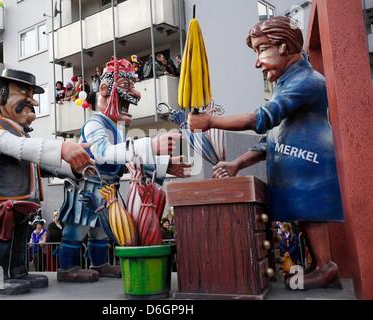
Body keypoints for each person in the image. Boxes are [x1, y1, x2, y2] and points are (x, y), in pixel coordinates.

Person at [189, 16, 343, 290]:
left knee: (311, 213)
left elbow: (262, 118)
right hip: (294, 170)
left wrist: (211, 122)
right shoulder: (286, 84)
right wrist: (237, 162)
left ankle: (326, 267)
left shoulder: (305, 81)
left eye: (261, 50)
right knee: (303, 217)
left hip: (308, 167)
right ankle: (315, 267)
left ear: (283, 46)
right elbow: (268, 139)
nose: (256, 62)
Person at [56, 57, 192, 283]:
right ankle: (67, 267)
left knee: (100, 230)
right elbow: (103, 153)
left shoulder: (115, 128)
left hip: (107, 188)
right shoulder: (95, 124)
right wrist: (149, 144)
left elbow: (127, 158)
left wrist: (163, 164)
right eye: (126, 90)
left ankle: (100, 263)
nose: (133, 96)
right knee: (78, 228)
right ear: (104, 90)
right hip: (88, 186)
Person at [0, 69, 94, 295]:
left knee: (17, 243)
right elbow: (15, 147)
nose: (31, 100)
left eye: (32, 95)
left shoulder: (21, 136)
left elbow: (39, 163)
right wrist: (62, 148)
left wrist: (75, 169)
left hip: (19, 205)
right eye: (22, 93)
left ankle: (18, 273)